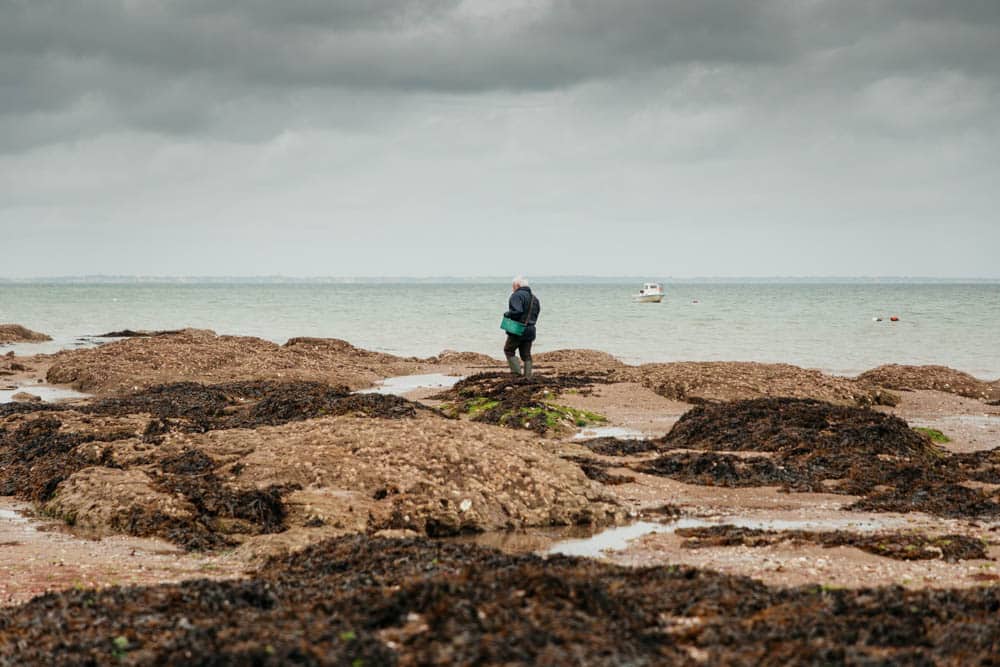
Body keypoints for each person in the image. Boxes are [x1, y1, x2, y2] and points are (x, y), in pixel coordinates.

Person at [503, 276, 540, 377]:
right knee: (526, 355)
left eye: (513, 286)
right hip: (531, 330)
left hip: (518, 328)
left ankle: (516, 374)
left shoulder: (516, 295)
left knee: (509, 350)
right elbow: (536, 314)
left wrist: (508, 314)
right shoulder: (535, 298)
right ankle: (528, 377)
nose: (512, 288)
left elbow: (517, 311)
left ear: (517, 285)